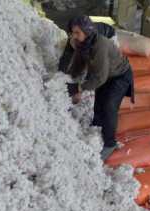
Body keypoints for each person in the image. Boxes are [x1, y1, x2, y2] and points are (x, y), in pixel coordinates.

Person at [59, 16, 134, 160]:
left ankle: (110, 143)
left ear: (86, 31)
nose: (73, 36)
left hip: (119, 76)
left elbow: (100, 77)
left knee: (108, 106)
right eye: (72, 33)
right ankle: (97, 131)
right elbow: (79, 64)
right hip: (105, 75)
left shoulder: (101, 45)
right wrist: (69, 78)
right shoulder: (83, 43)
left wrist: (79, 88)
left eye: (77, 33)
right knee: (98, 105)